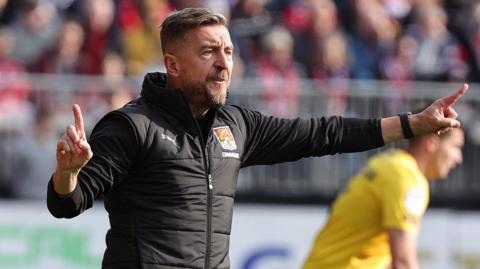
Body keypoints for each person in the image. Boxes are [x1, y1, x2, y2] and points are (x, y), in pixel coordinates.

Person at [46, 7, 468, 269]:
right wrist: (67, 174)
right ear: (173, 64)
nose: (223, 63)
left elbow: (324, 133)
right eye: (209, 51)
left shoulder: (237, 125)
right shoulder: (131, 126)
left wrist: (412, 124)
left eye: (228, 51)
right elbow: (68, 202)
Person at [302, 127, 464, 269]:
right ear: (431, 143)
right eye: (455, 147)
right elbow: (403, 262)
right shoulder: (406, 177)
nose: (459, 158)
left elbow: (387, 260)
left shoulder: (387, 162)